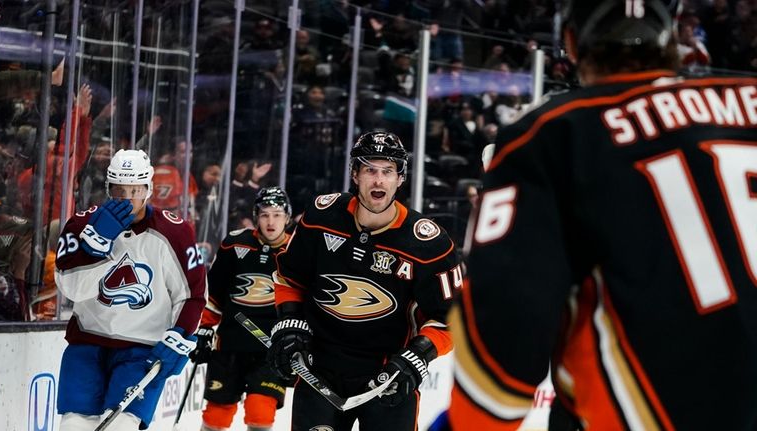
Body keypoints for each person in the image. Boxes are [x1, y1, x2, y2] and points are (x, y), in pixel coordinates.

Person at [447, 1, 757, 430]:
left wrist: (467, 422)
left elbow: (506, 326)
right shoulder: (747, 101)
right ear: (677, 41)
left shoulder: (552, 134)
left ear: (572, 43)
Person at [267, 132, 463, 430]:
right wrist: (290, 321)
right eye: (370, 169)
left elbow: (451, 317)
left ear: (400, 179)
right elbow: (289, 277)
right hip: (318, 369)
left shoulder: (429, 244)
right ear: (355, 174)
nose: (378, 180)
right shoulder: (322, 216)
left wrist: (418, 355)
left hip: (388, 378)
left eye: (388, 171)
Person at [54, 149, 206, 430]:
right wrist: (95, 247)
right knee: (73, 426)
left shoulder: (176, 232)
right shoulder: (81, 225)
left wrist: (179, 334)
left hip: (141, 351)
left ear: (148, 189)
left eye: (135, 189)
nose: (127, 197)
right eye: (120, 189)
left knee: (120, 427)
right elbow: (71, 289)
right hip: (87, 343)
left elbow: (192, 295)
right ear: (108, 188)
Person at [190, 187, 293, 431]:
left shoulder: (298, 251)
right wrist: (205, 328)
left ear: (287, 218)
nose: (271, 221)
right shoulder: (235, 244)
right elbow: (215, 292)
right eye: (265, 214)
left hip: (272, 349)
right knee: (217, 415)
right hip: (231, 343)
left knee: (260, 412)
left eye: (277, 215)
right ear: (256, 216)